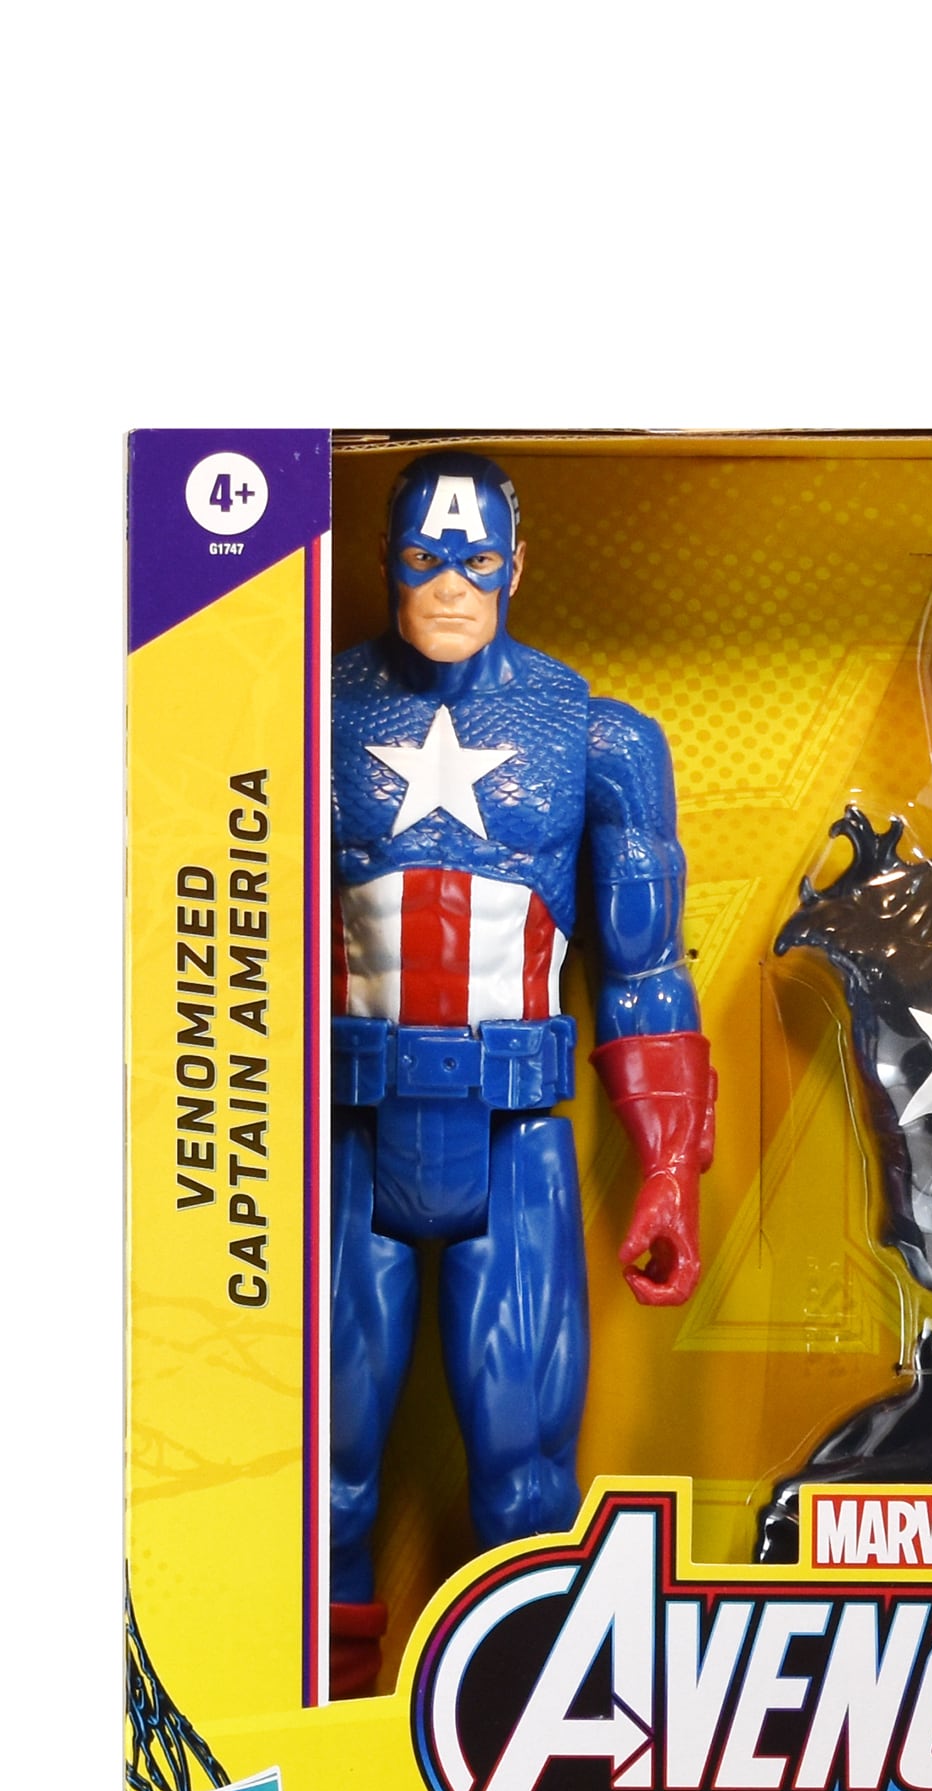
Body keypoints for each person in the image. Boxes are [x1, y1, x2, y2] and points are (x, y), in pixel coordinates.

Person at [328, 451, 712, 1698]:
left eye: (476, 558)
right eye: (423, 557)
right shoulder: (310, 714)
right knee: (322, 1479)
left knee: (528, 1476)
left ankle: (525, 1732)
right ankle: (314, 1738)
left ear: (517, 566)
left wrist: (671, 1169)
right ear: (384, 563)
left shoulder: (599, 737)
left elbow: (646, 971)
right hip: (352, 1135)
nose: (449, 583)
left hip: (516, 1143)